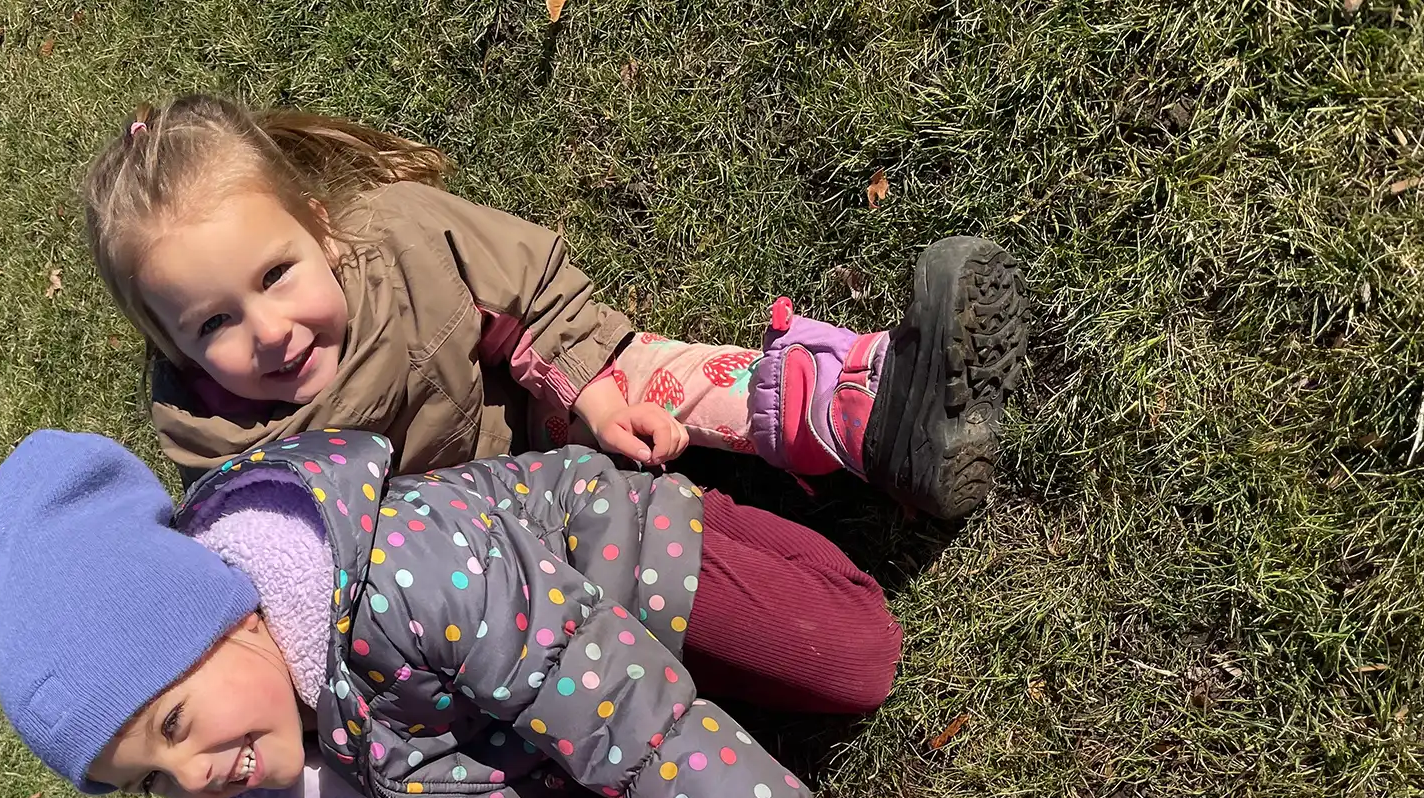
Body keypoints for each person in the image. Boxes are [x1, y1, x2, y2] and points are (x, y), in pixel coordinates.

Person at [0, 427, 926, 798]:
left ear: (226, 613)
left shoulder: (404, 569)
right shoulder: (253, 771)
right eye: (150, 782)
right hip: (519, 764)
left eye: (173, 723)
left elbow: (607, 701)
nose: (193, 777)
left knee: (853, 658)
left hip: (614, 580)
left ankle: (719, 519)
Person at [82, 94, 1026, 521]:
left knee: (654, 377)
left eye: (277, 273)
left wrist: (590, 398)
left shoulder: (405, 239)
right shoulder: (236, 470)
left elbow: (533, 303)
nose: (269, 332)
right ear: (167, 345)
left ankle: (858, 408)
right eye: (211, 325)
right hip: (485, 547)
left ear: (322, 231)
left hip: (536, 410)